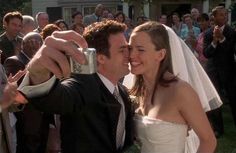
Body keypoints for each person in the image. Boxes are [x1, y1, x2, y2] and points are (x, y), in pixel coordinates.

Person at [18, 20, 134, 153]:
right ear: (101, 58)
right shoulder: (81, 86)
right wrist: (38, 72)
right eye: (122, 50)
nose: (129, 55)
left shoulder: (122, 92)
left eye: (128, 48)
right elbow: (56, 99)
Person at [125, 21, 221, 153]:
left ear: (161, 54)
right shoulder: (138, 90)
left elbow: (209, 141)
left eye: (140, 49)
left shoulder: (180, 91)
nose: (131, 55)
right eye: (130, 48)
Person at [204, 6, 236, 137]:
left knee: (234, 100)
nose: (225, 17)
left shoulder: (232, 32)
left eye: (225, 15)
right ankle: (218, 129)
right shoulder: (208, 33)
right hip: (213, 71)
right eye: (222, 15)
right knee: (215, 101)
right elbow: (206, 54)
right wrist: (214, 41)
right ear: (214, 17)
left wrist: (222, 38)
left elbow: (230, 51)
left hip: (229, 71)